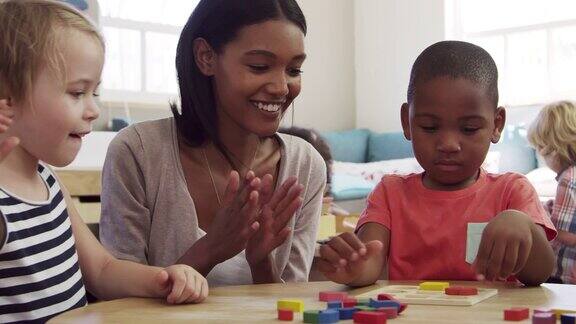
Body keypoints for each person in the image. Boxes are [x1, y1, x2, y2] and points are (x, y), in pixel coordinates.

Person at [0, 1, 207, 322]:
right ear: (8, 98)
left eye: (94, 92)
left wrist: (161, 278)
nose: (94, 110)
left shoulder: (49, 183)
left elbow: (101, 269)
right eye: (77, 92)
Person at [99, 0, 326, 286]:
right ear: (206, 57)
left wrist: (260, 263)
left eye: (294, 70)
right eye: (260, 66)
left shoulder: (305, 165)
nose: (282, 87)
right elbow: (118, 300)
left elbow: (290, 305)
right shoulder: (138, 152)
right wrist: (212, 249)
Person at [316, 40, 556, 287]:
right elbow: (370, 262)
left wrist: (523, 224)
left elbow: (541, 272)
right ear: (406, 122)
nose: (449, 144)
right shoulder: (390, 193)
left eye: (469, 128)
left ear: (496, 124)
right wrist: (355, 268)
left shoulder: (512, 191)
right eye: (430, 127)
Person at [528, 100, 576, 284]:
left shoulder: (568, 180)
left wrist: (539, 218)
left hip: (566, 276)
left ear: (553, 150)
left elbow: (565, 234)